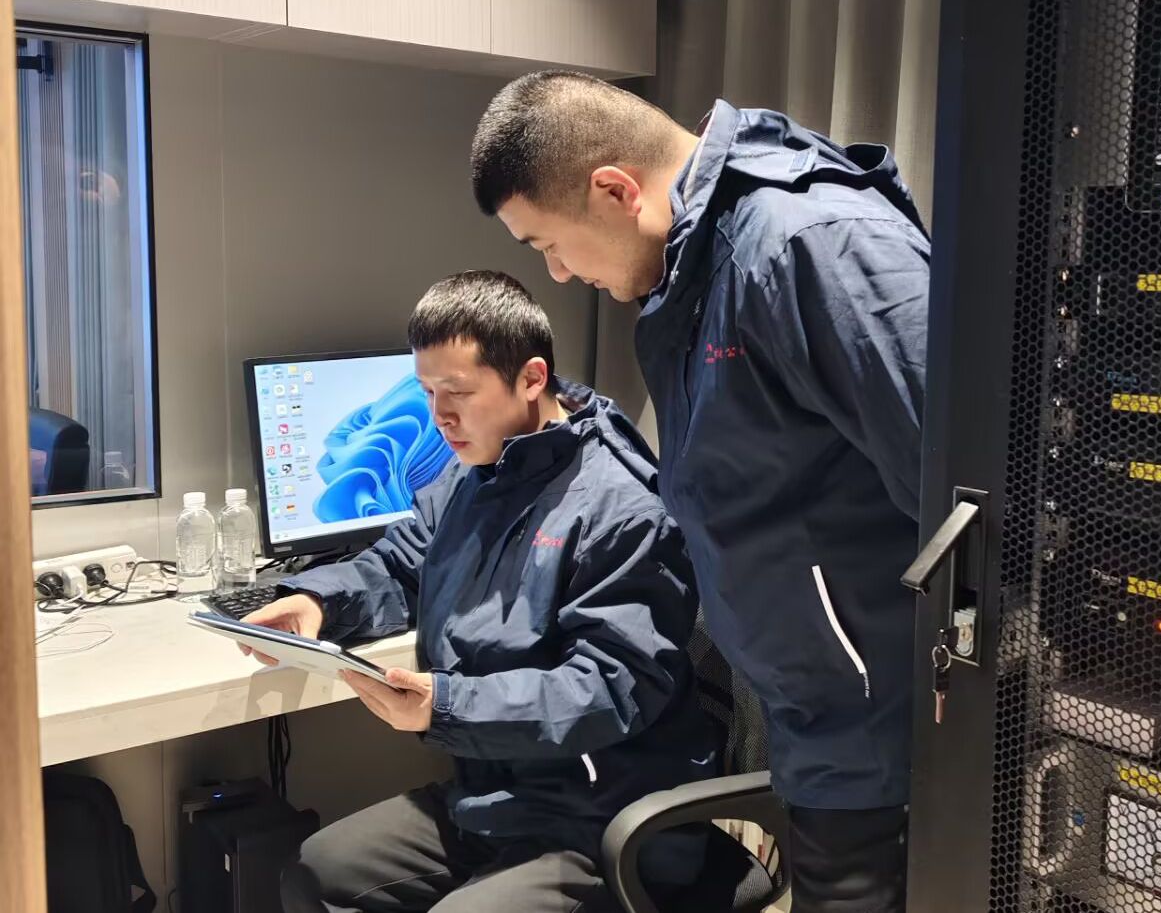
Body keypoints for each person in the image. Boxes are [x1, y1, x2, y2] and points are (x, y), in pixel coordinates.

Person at [470, 72, 930, 912]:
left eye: (549, 244)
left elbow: (964, 492)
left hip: (882, 745)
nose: (559, 274)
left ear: (616, 191)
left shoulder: (803, 244)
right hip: (819, 731)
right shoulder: (696, 270)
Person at [238, 270, 716, 913]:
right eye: (427, 391)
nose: (438, 416)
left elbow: (608, 689)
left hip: (601, 814)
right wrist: (317, 600)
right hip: (498, 795)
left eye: (458, 392)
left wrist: (447, 706)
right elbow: (400, 565)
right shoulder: (475, 473)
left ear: (532, 378)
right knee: (317, 872)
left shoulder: (622, 509)